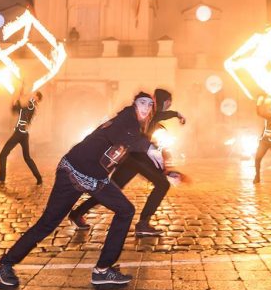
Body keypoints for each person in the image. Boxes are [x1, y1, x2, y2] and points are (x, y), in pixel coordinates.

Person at [0, 92, 161, 288]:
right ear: (134, 105)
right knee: (48, 223)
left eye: (150, 105)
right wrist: (147, 147)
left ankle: (102, 270)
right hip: (72, 171)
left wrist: (167, 171)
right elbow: (118, 133)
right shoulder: (126, 119)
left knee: (125, 210)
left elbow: (134, 149)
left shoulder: (135, 129)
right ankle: (5, 265)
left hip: (95, 177)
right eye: (142, 102)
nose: (145, 107)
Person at [68, 87, 185, 237]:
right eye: (168, 102)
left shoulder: (150, 114)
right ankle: (143, 224)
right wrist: (177, 114)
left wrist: (177, 115)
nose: (168, 105)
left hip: (129, 157)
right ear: (165, 101)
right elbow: (161, 115)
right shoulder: (150, 113)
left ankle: (77, 213)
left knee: (112, 190)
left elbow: (161, 116)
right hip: (136, 156)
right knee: (162, 184)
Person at [0, 91, 43, 185]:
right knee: (27, 157)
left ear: (37, 98)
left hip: (20, 133)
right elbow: (16, 110)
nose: (32, 95)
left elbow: (21, 110)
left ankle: (2, 177)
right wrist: (15, 99)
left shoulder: (32, 106)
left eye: (35, 95)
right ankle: (39, 178)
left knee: (3, 154)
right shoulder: (30, 105)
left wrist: (18, 98)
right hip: (23, 134)